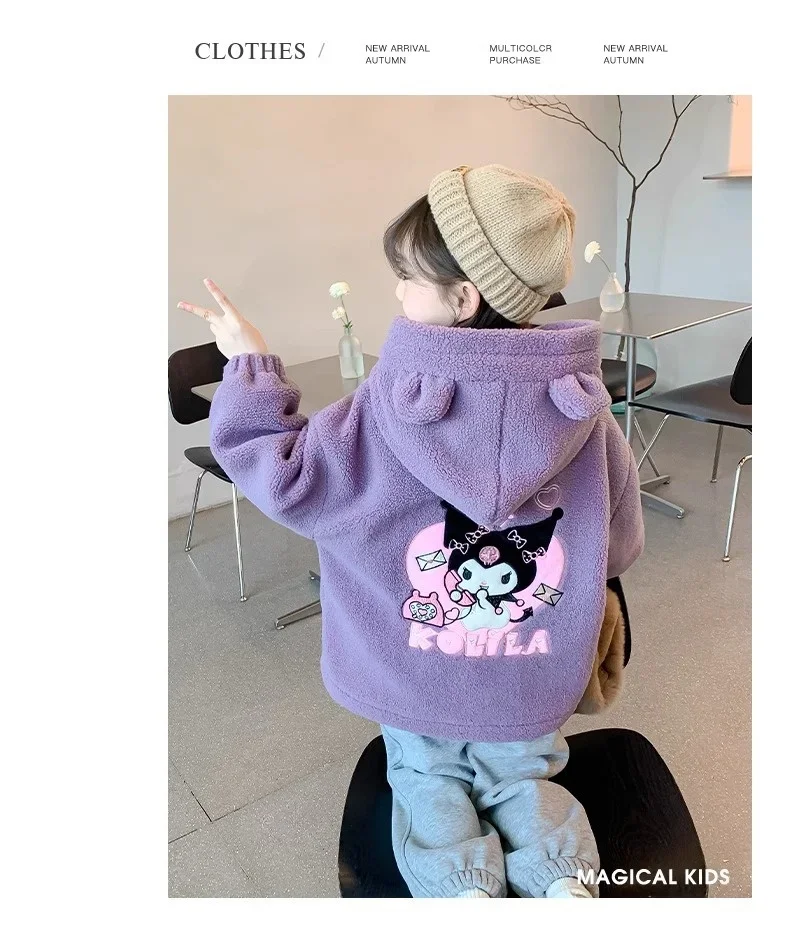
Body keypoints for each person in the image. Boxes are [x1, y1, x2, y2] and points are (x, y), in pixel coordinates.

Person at [178, 164, 644, 899]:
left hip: (413, 674)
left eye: (406, 277)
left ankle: (462, 889)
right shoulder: (585, 412)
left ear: (463, 297)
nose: (396, 293)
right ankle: (562, 882)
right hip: (530, 677)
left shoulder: (384, 407)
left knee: (426, 777)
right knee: (525, 776)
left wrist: (249, 365)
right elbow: (618, 545)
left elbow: (286, 476)